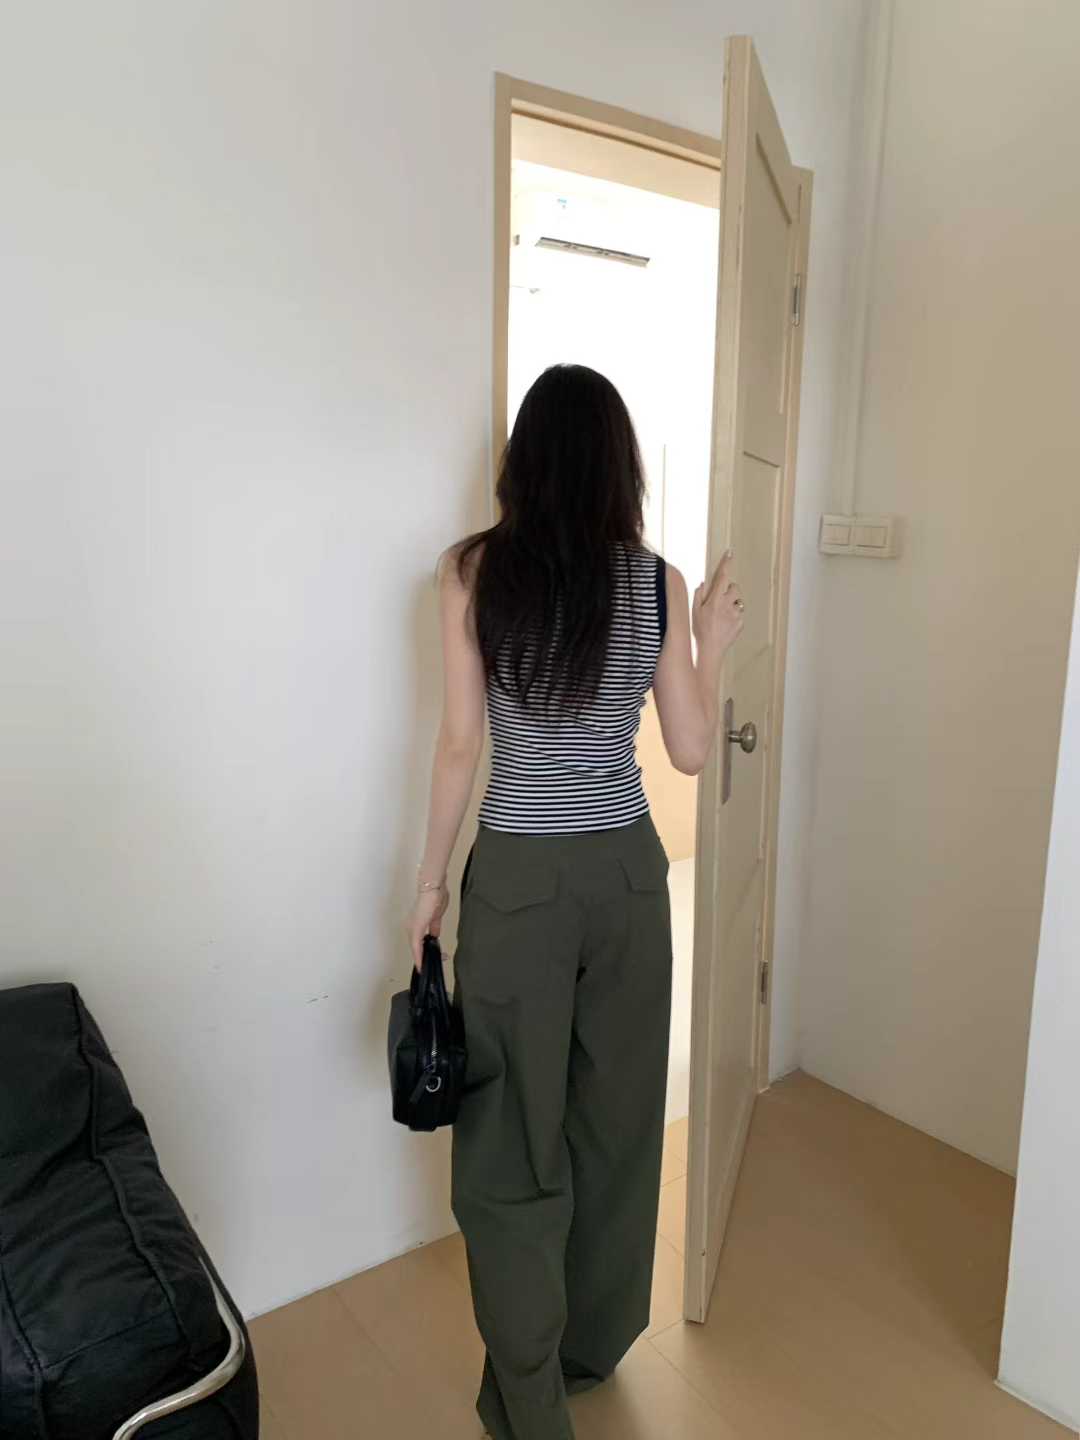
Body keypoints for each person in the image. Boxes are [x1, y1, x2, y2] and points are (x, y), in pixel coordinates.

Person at [405, 363, 744, 1440]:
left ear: (525, 460)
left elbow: (460, 745)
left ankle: (530, 1396)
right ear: (617, 465)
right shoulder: (656, 582)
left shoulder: (472, 572)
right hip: (631, 883)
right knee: (618, 1129)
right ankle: (590, 1349)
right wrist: (709, 648)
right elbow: (691, 751)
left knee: (512, 1143)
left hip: (518, 883)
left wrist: (428, 887)